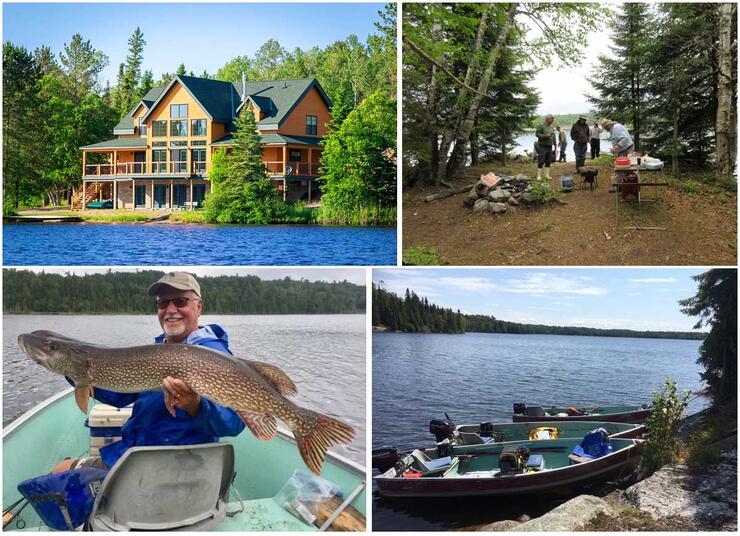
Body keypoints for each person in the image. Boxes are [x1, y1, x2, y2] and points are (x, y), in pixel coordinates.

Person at [51, 272, 245, 473]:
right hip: (138, 456)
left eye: (180, 301)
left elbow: (234, 422)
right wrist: (75, 371)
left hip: (171, 469)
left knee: (59, 470)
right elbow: (120, 393)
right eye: (162, 304)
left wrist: (196, 407)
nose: (170, 310)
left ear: (199, 306)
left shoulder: (212, 353)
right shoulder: (158, 351)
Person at [535, 114, 555, 180]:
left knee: (548, 161)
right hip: (542, 146)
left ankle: (547, 175)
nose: (553, 120)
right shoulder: (541, 126)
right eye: (552, 119)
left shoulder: (552, 127)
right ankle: (538, 176)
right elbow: (537, 134)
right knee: (541, 160)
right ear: (547, 119)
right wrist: (544, 136)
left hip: (549, 146)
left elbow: (553, 135)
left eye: (553, 119)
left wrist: (554, 143)